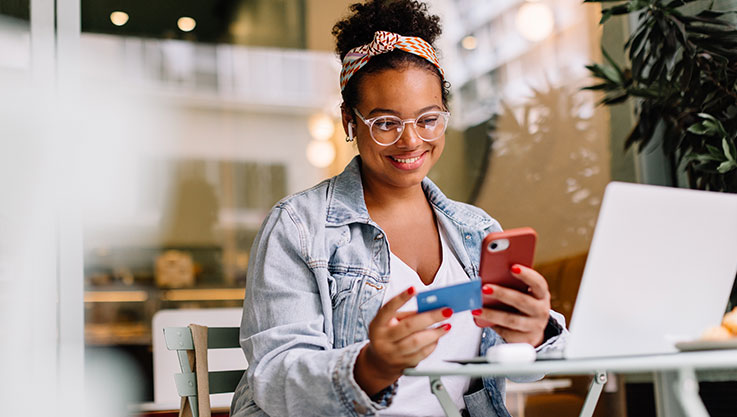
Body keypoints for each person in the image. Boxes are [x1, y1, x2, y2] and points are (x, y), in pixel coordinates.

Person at [230, 1, 568, 416]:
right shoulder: (299, 227)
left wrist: (531, 337)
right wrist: (370, 367)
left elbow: (521, 370)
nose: (411, 142)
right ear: (350, 122)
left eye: (427, 119)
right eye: (386, 123)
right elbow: (275, 378)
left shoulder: (477, 230)